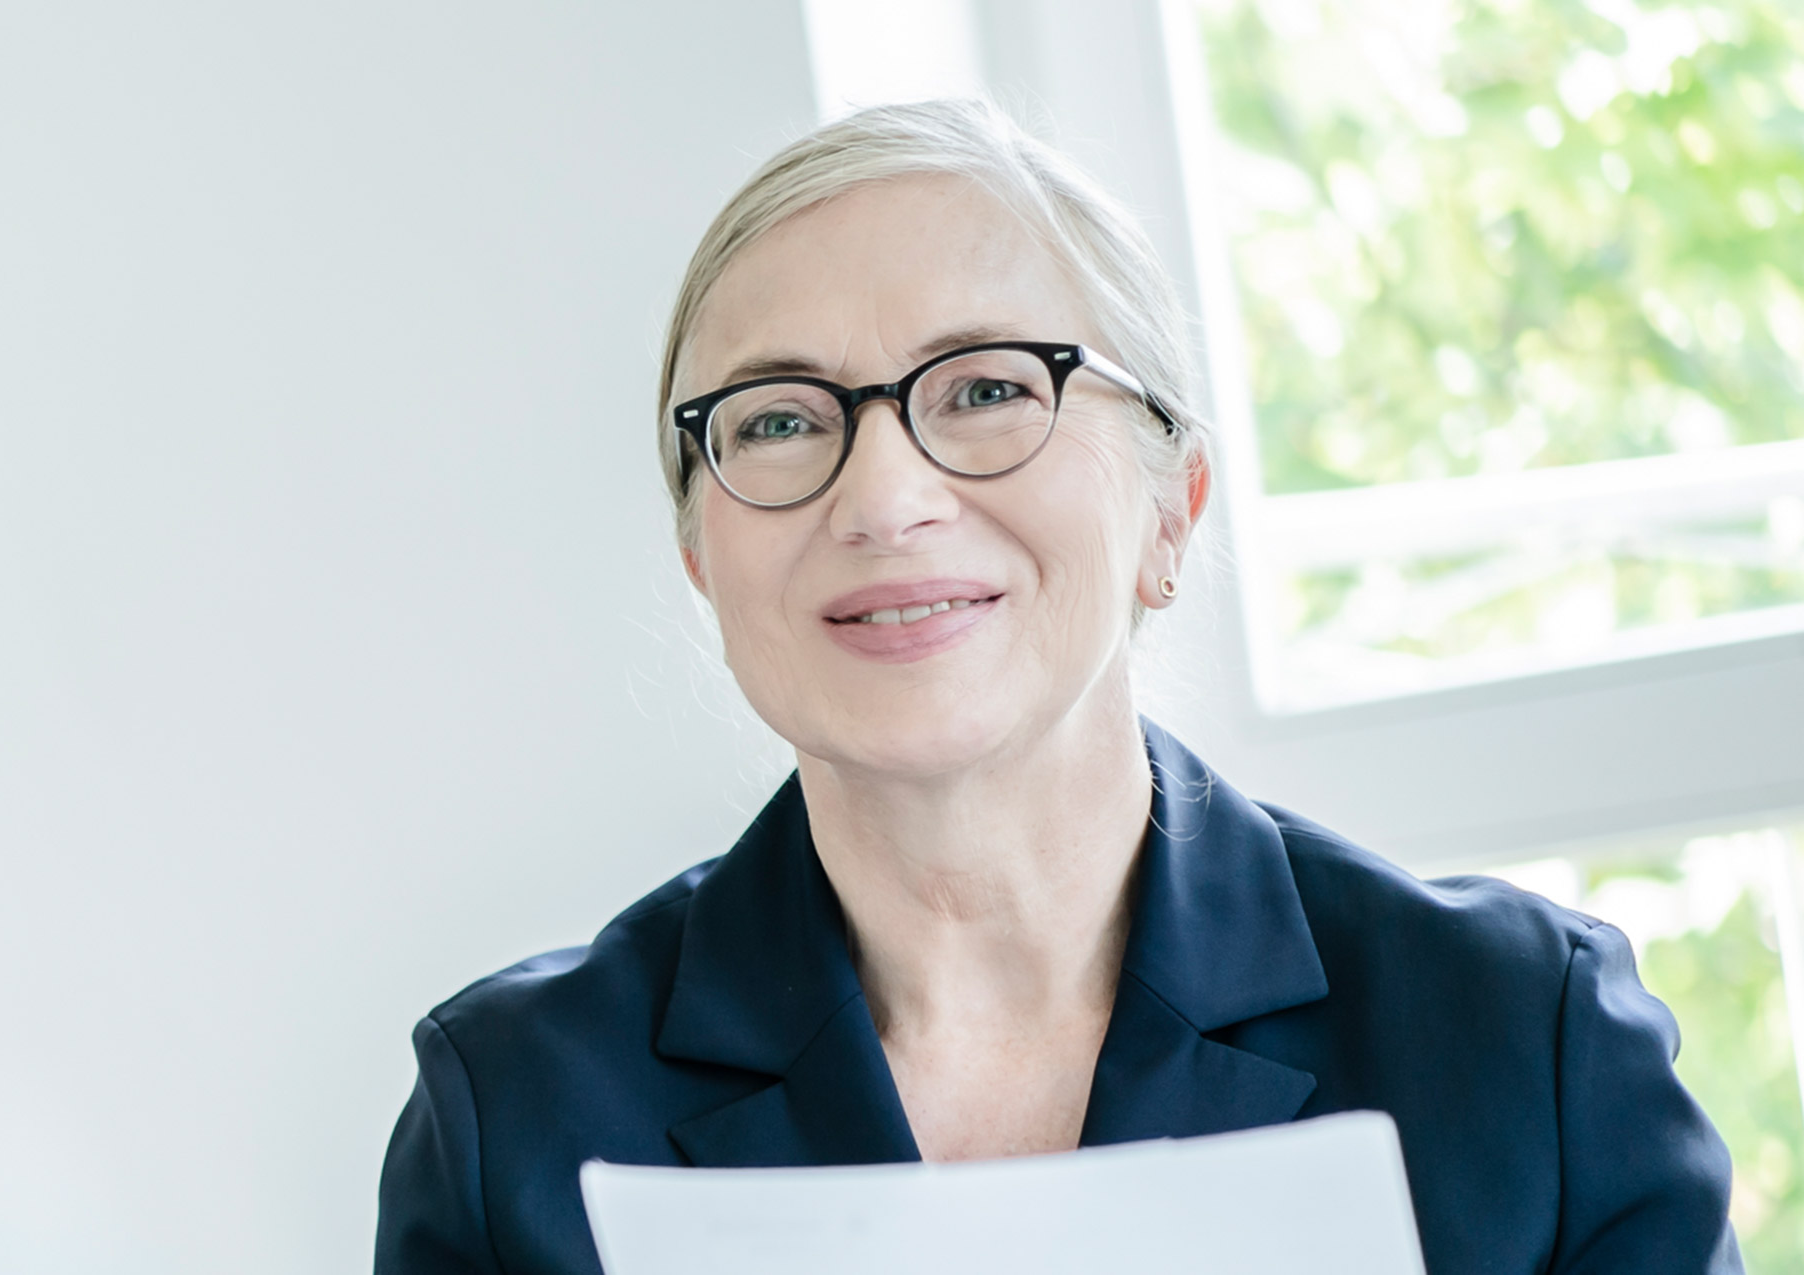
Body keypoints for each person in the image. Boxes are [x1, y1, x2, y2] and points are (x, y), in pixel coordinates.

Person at [373, 100, 1739, 1275]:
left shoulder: (1524, 1042)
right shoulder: (516, 1112)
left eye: (983, 390)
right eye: (780, 419)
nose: (885, 497)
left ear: (1171, 510)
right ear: (698, 551)